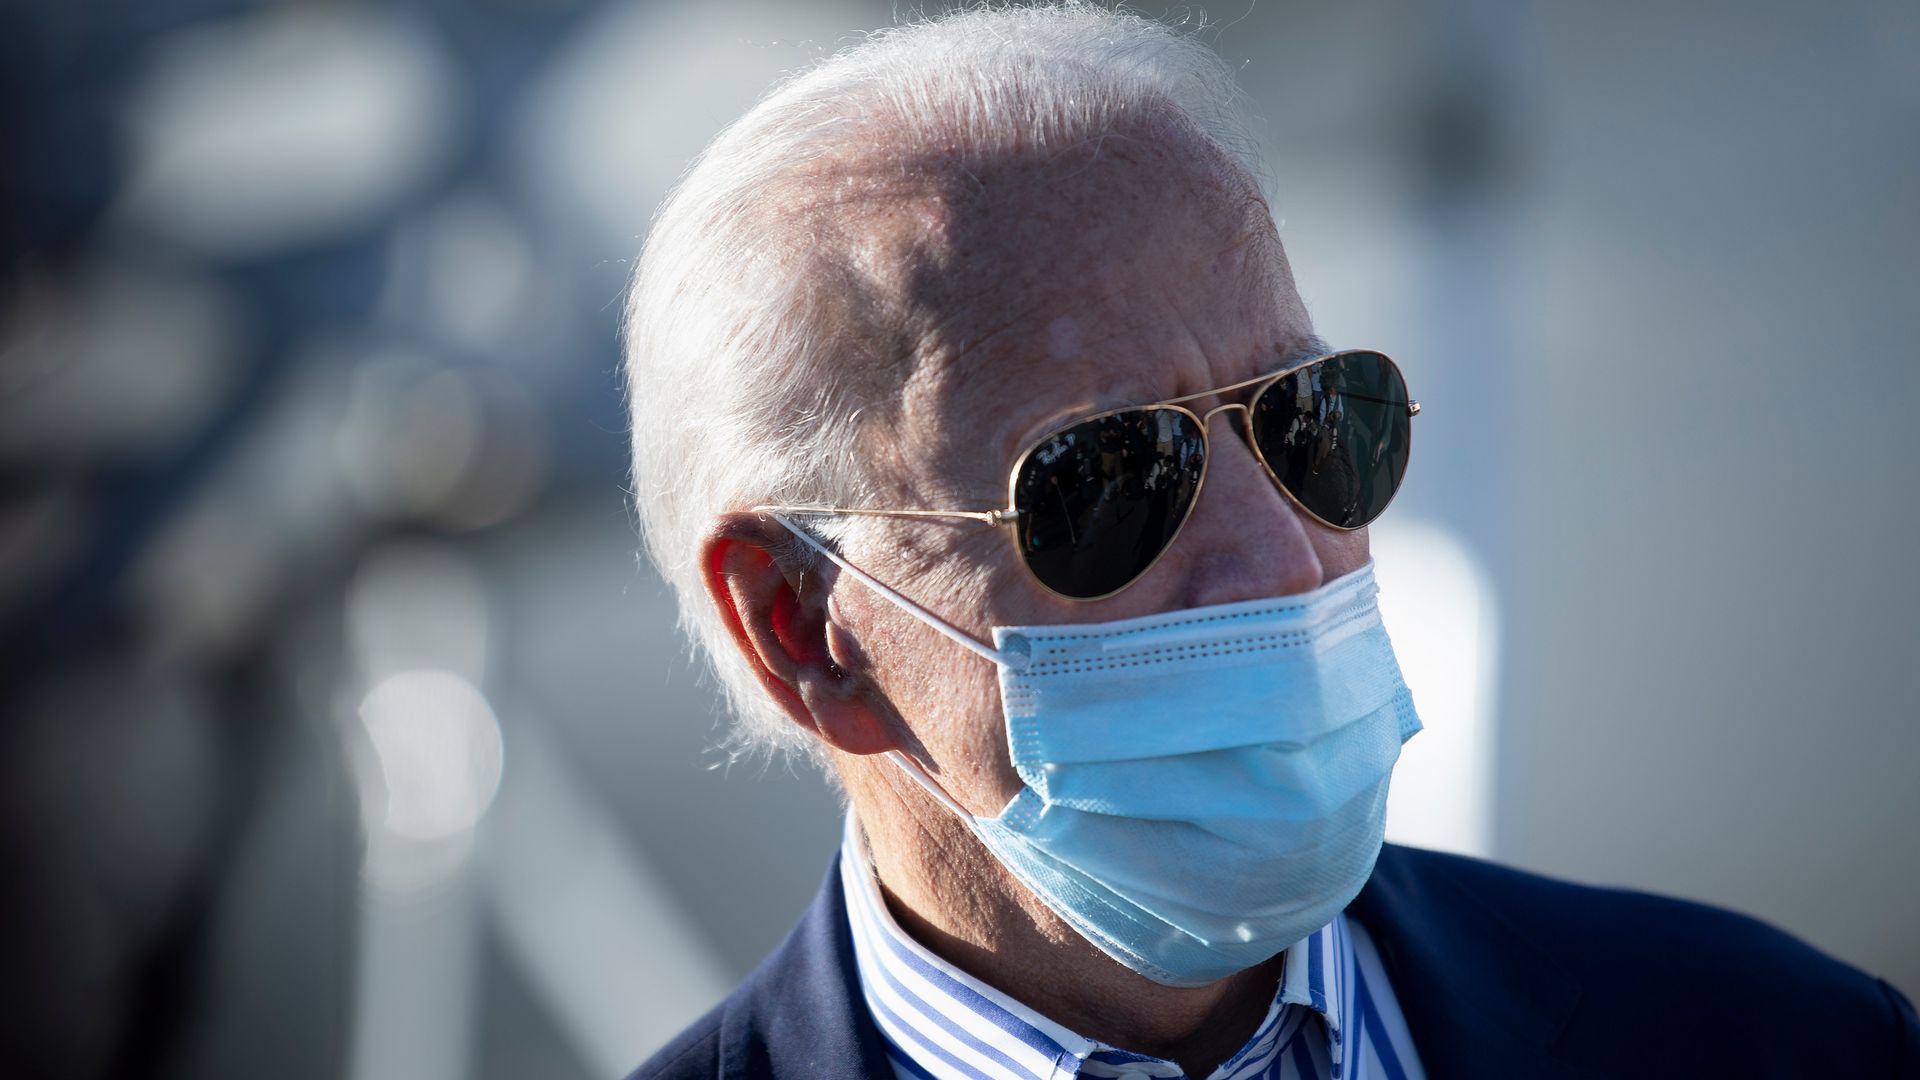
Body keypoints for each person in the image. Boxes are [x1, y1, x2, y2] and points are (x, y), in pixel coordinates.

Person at [620, 6, 1918, 1078]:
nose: (1285, 559)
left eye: (1311, 420)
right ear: (801, 622)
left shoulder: (1779, 1044)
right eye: (1107, 478)